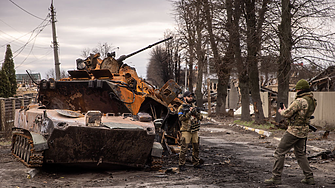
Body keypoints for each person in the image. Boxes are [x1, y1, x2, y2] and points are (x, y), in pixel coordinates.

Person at [264, 79, 317, 185]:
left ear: (300, 89)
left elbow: (287, 113)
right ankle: (309, 177)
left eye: (297, 89)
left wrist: (281, 111)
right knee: (300, 154)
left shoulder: (300, 101)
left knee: (279, 152)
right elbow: (300, 113)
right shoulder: (312, 101)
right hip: (304, 130)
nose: (296, 91)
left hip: (294, 130)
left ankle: (276, 177)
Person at [178, 91, 203, 171]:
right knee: (184, 148)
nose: (190, 98)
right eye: (189, 97)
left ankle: (196, 163)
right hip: (186, 130)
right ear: (185, 98)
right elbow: (181, 118)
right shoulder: (181, 108)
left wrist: (195, 112)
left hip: (194, 130)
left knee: (196, 147)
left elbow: (200, 118)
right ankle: (181, 164)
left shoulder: (194, 107)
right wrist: (189, 113)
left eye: (191, 96)